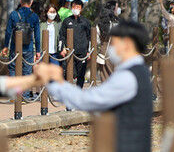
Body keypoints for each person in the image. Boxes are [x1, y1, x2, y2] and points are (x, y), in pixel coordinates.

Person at [36, 21, 153, 152]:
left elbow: (88, 100)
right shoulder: (139, 71)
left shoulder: (128, 77)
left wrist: (54, 83)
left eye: (113, 44)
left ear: (127, 44)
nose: (110, 49)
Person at [2, 0, 40, 96]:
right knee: (27, 72)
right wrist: (38, 50)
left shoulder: (14, 14)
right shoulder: (35, 16)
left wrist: (6, 46)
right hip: (28, 48)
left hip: (15, 47)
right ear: (31, 2)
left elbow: (8, 32)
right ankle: (25, 96)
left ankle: (14, 94)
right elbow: (37, 35)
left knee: (13, 70)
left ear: (20, 1)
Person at [59, 0, 92, 86]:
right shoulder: (66, 21)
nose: (75, 8)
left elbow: (89, 37)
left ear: (81, 9)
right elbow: (61, 35)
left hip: (82, 52)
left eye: (77, 7)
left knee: (80, 74)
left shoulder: (85, 22)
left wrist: (89, 51)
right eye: (73, 6)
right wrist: (62, 48)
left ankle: (78, 92)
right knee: (69, 73)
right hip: (69, 52)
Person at [97, 0, 122, 79]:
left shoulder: (100, 24)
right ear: (113, 9)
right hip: (115, 52)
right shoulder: (117, 23)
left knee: (104, 76)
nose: (118, 9)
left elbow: (97, 40)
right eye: (117, 7)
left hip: (103, 52)